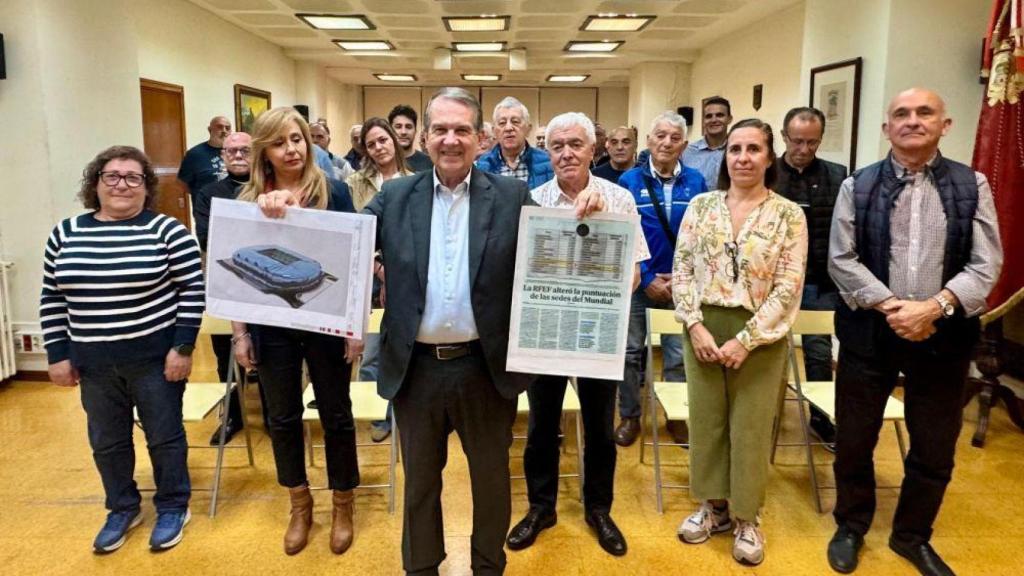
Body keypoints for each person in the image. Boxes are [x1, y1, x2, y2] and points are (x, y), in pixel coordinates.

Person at [297, 87, 601, 576]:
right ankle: (421, 568)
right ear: (424, 138)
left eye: (462, 130)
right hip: (415, 370)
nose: (451, 139)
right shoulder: (395, 197)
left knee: (492, 482)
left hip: (485, 369)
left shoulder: (510, 197)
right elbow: (342, 240)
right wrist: (283, 211)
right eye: (440, 129)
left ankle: (487, 567)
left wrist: (589, 210)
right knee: (419, 485)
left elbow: (557, 250)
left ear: (481, 139)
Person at [826, 88, 1002, 576]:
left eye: (925, 112)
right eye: (901, 114)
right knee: (855, 438)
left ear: (945, 125)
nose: (912, 121)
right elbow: (841, 258)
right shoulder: (858, 185)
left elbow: (986, 263)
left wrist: (933, 308)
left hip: (943, 338)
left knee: (934, 444)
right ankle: (851, 525)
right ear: (887, 129)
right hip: (869, 334)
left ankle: (911, 535)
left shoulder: (973, 185)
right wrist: (894, 307)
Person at [41, 145, 204, 553]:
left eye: (133, 177)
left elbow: (192, 292)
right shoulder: (65, 233)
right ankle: (122, 507)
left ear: (146, 187)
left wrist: (182, 348)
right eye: (111, 176)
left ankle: (173, 506)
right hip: (93, 364)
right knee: (107, 442)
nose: (122, 185)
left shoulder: (168, 232)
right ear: (95, 184)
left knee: (164, 437)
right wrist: (57, 355)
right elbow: (52, 297)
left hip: (154, 362)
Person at [507, 112, 649, 558]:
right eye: (557, 146)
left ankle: (599, 510)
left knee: (600, 427)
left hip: (596, 331)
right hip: (547, 331)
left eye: (575, 144)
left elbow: (635, 272)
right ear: (547, 152)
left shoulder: (619, 198)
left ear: (593, 149)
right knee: (541, 426)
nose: (566, 153)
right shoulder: (532, 200)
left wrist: (603, 234)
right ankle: (541, 508)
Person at [672, 118, 807, 567]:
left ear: (769, 157)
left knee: (749, 427)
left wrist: (746, 340)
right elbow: (682, 269)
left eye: (753, 149)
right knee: (707, 422)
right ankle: (713, 507)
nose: (743, 158)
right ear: (724, 157)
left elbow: (788, 286)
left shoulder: (788, 214)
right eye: (735, 149)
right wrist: (695, 325)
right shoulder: (701, 206)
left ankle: (747, 516)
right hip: (703, 327)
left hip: (761, 335)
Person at [232, 106, 361, 556]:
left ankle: (343, 503)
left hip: (327, 324)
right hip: (272, 327)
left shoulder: (334, 191)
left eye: (297, 139)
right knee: (282, 417)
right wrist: (240, 334)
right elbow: (236, 279)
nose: (291, 150)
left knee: (336, 414)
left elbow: (354, 262)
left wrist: (354, 327)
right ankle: (300, 504)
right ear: (263, 151)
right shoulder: (248, 200)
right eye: (279, 142)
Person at [615, 111, 707, 447]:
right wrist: (649, 277)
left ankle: (676, 416)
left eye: (674, 137)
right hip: (639, 283)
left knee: (678, 355)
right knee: (629, 353)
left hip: (682, 284)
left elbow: (703, 235)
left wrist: (681, 278)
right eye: (660, 136)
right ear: (649, 141)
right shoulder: (628, 182)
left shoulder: (696, 182)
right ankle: (629, 415)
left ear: (684, 144)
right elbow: (623, 236)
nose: (667, 143)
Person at [773, 106, 849, 449]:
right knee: (768, 351)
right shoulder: (768, 173)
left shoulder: (838, 176)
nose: (803, 149)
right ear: (784, 137)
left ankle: (820, 417)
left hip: (818, 281)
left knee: (819, 352)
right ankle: (766, 414)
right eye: (797, 141)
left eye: (812, 142)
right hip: (773, 281)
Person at [345, 117, 414, 443]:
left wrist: (393, 272)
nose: (378, 147)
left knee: (404, 349)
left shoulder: (415, 181)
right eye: (371, 144)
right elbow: (356, 232)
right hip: (367, 277)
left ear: (394, 140)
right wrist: (378, 269)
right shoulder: (354, 183)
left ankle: (404, 414)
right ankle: (377, 415)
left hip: (405, 277)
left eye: (382, 140)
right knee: (372, 352)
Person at [193, 132, 260, 444]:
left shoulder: (267, 187)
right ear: (222, 156)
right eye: (231, 151)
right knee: (226, 355)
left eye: (245, 150)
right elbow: (209, 238)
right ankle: (233, 415)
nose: (237, 156)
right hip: (225, 282)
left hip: (266, 286)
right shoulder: (209, 194)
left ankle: (273, 415)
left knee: (268, 353)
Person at [475, 96, 554, 189]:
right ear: (494, 131)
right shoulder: (482, 165)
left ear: (528, 129)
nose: (508, 128)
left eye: (515, 122)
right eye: (502, 123)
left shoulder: (548, 162)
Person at [683, 97, 732, 188]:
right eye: (708, 116)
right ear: (703, 121)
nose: (714, 120)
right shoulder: (687, 152)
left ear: (729, 119)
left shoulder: (736, 151)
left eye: (719, 115)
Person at [178, 115, 230, 200]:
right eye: (219, 127)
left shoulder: (236, 152)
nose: (224, 131)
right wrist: (201, 195)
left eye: (227, 128)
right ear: (210, 130)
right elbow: (182, 183)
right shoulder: (194, 154)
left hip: (232, 205)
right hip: (205, 206)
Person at [389, 104, 434, 172]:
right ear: (390, 130)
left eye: (408, 127)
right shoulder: (383, 162)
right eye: (398, 127)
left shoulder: (430, 163)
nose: (403, 132)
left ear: (415, 131)